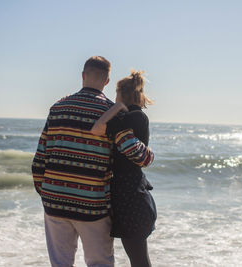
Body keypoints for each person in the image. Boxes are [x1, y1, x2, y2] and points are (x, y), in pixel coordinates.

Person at [31, 56, 154, 267]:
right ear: (107, 81)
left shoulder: (57, 107)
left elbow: (40, 159)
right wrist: (149, 154)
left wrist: (49, 194)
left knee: (60, 264)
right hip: (92, 204)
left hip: (54, 201)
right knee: (99, 263)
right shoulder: (110, 113)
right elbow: (137, 155)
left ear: (82, 76)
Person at [91, 70, 156, 267]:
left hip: (130, 197)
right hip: (132, 193)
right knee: (139, 259)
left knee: (139, 260)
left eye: (116, 93)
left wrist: (116, 107)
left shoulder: (129, 118)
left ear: (122, 94)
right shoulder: (138, 117)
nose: (114, 97)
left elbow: (97, 128)